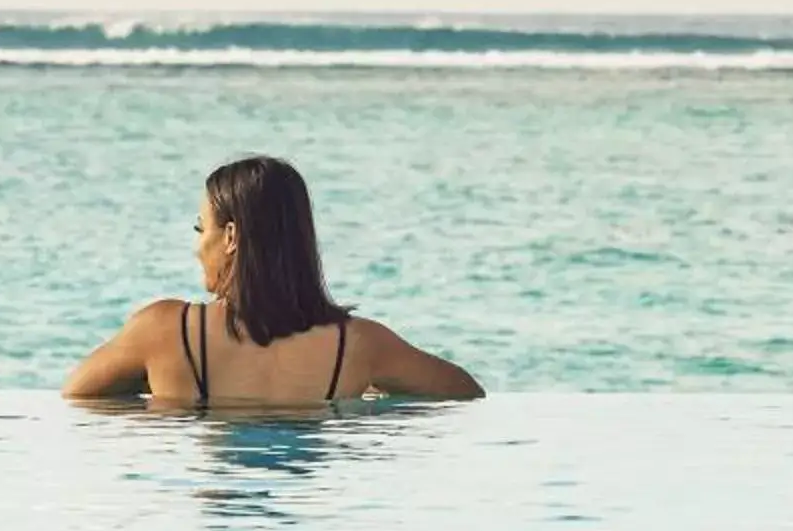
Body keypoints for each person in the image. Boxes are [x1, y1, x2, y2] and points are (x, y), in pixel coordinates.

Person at [62, 155, 484, 405]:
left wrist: (158, 401)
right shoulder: (358, 345)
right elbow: (465, 393)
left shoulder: (163, 330)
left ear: (229, 237)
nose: (195, 246)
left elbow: (76, 398)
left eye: (199, 229)